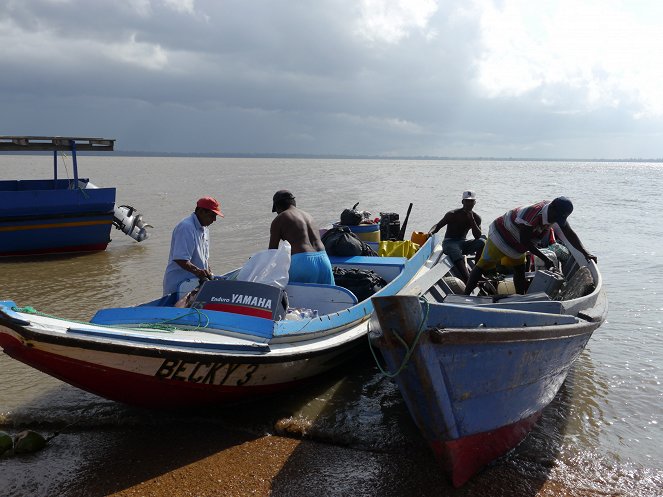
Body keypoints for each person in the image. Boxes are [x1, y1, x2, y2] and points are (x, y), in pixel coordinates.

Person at [464, 196, 597, 295]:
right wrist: (545, 259)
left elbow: (569, 233)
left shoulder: (555, 213)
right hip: (502, 234)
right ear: (552, 208)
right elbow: (525, 242)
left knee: (520, 268)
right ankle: (465, 295)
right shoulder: (532, 214)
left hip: (519, 241)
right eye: (557, 217)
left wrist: (585, 253)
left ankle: (521, 297)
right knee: (483, 264)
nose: (557, 221)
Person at [269, 190, 335, 285]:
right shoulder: (308, 216)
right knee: (328, 297)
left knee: (292, 297)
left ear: (278, 206)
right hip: (324, 260)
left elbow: (272, 252)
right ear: (294, 202)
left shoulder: (280, 219)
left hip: (302, 263)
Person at [162, 196, 223, 296]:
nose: (214, 220)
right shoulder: (186, 227)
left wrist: (209, 274)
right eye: (212, 215)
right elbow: (180, 259)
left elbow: (204, 260)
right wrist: (199, 272)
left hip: (195, 284)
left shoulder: (205, 229)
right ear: (201, 211)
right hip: (178, 286)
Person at [428, 190, 486, 283]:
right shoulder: (452, 214)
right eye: (467, 201)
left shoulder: (476, 217)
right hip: (449, 242)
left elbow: (477, 236)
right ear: (463, 202)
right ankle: (468, 279)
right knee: (454, 248)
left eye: (471, 201)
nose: (469, 203)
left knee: (482, 242)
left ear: (474, 203)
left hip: (463, 243)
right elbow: (438, 226)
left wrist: (471, 219)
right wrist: (431, 232)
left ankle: (476, 272)